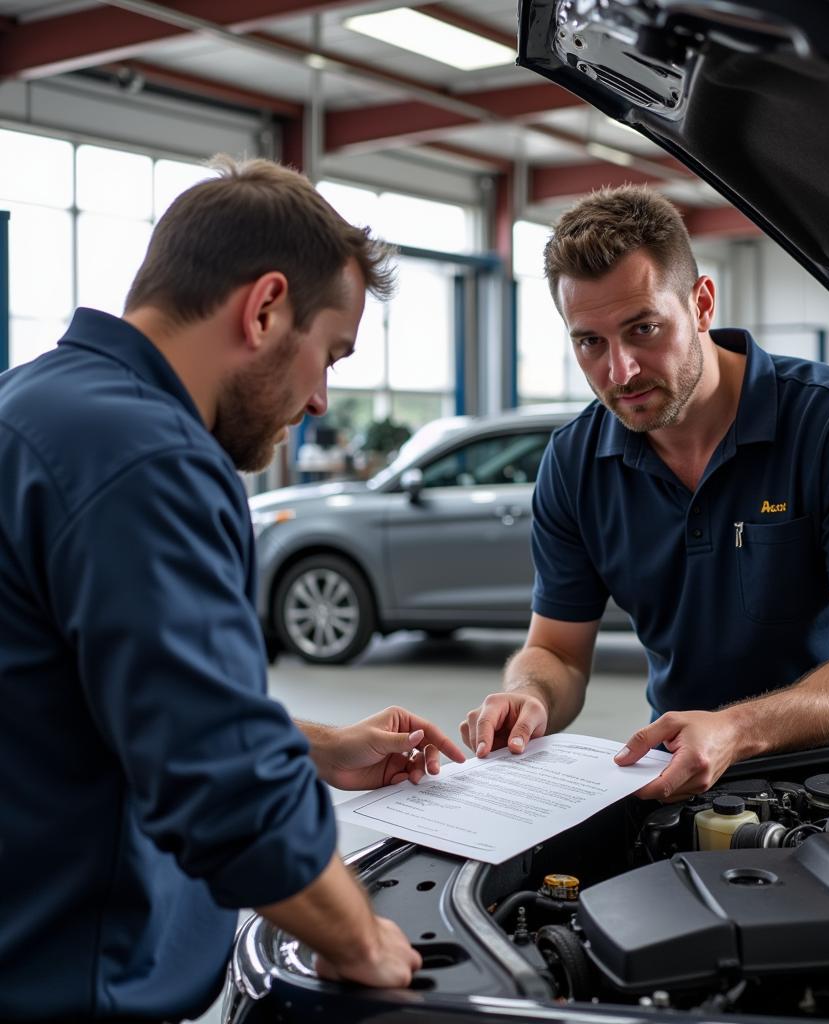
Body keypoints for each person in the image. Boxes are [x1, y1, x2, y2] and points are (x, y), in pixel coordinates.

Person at [0, 157, 464, 1022]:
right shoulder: (153, 458)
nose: (322, 398)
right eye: (330, 352)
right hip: (70, 983)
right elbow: (225, 788)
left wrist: (317, 748)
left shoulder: (33, 407)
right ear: (264, 309)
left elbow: (101, 692)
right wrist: (361, 940)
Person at [461, 185, 829, 801]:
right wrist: (529, 694)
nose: (620, 370)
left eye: (645, 329)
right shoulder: (576, 461)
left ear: (702, 302)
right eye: (590, 342)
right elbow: (557, 650)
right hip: (683, 778)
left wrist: (736, 728)